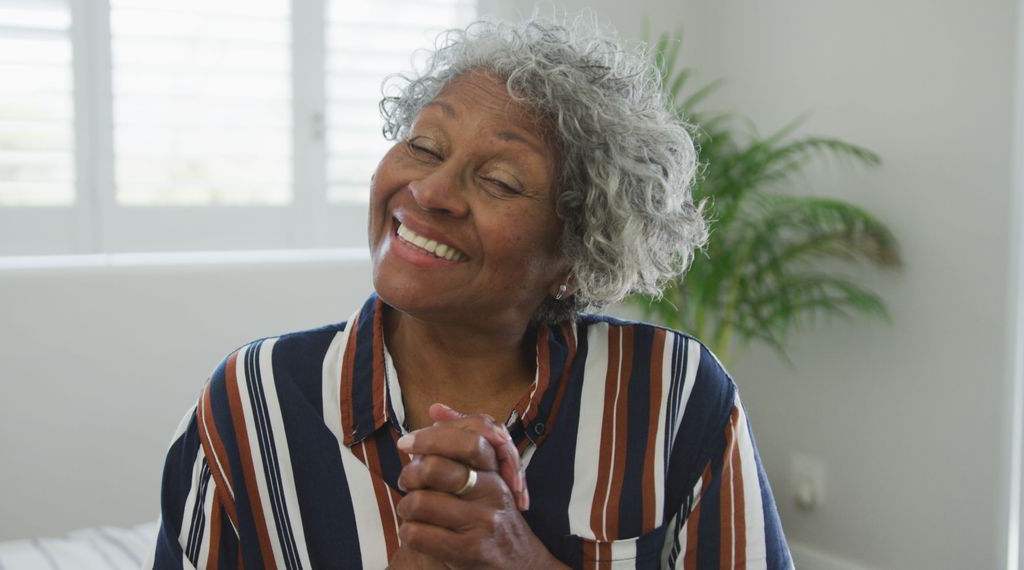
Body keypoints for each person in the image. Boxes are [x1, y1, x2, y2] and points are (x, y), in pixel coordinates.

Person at [146, 15, 792, 570]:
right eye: (425, 146)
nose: (429, 192)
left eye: (502, 182)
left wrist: (523, 558)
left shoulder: (669, 393)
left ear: (575, 255)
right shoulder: (253, 402)